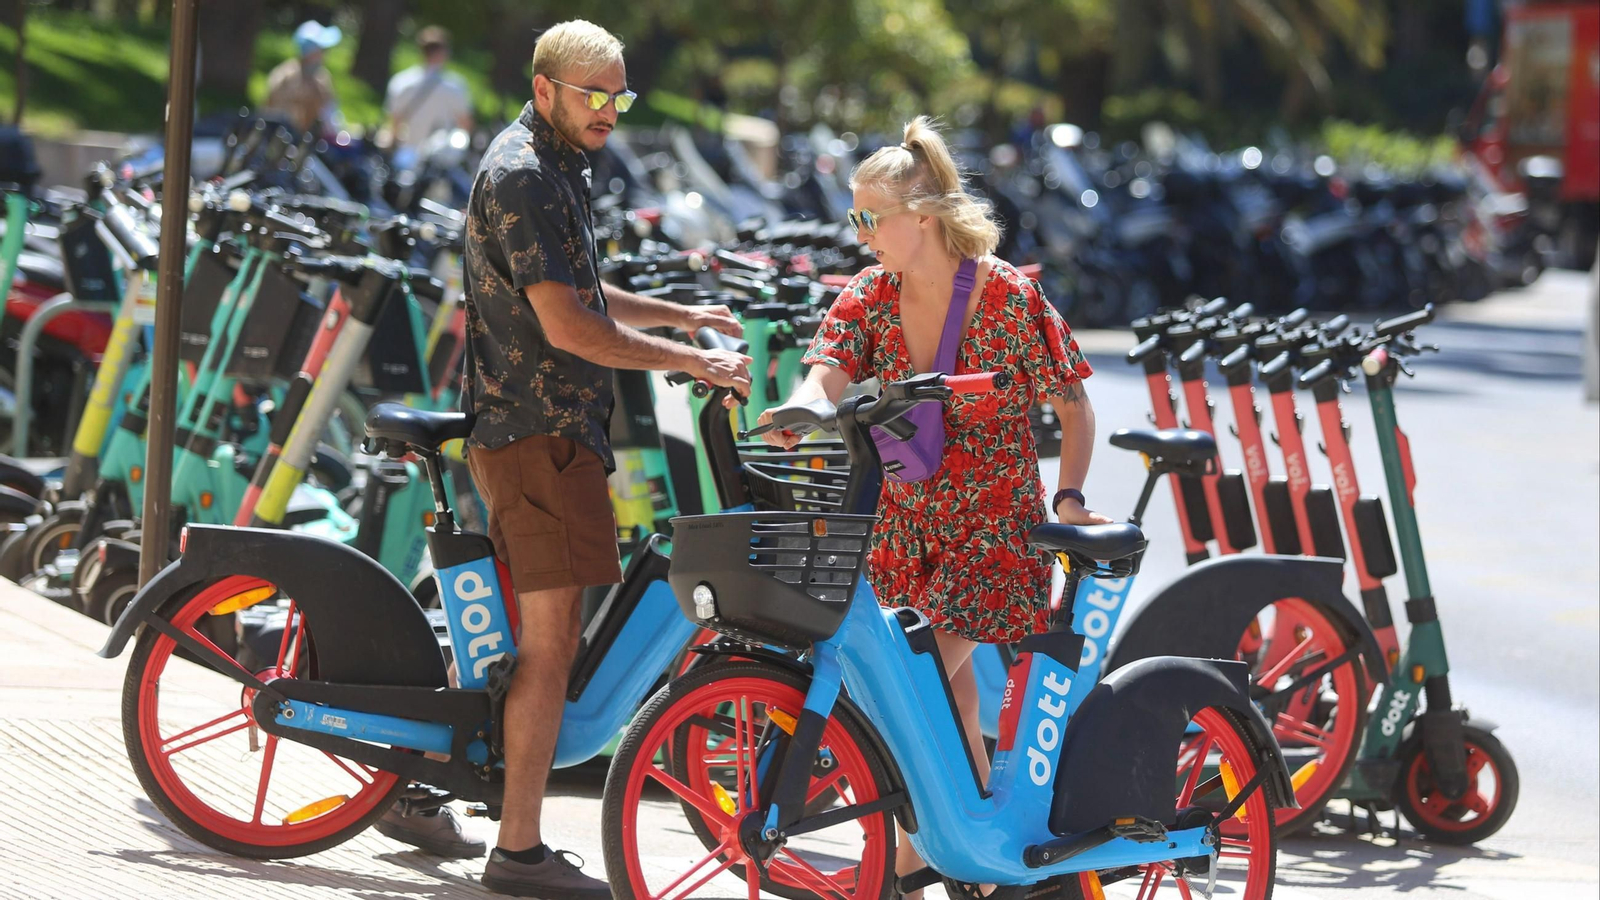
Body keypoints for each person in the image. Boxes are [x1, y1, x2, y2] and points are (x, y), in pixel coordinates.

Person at [388, 18, 750, 897]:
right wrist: (692, 362)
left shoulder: (549, 163)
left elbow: (576, 286)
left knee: (512, 638)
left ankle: (413, 786)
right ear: (544, 86)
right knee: (550, 649)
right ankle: (516, 852)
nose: (608, 110)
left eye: (619, 93)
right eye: (592, 92)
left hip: (538, 435)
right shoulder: (523, 174)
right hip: (540, 440)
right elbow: (567, 325)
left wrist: (678, 316)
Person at [756, 115, 1113, 896]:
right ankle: (983, 864)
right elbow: (827, 367)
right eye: (854, 217)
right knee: (945, 698)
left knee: (906, 692)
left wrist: (1072, 495)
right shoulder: (871, 292)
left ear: (922, 218)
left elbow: (1077, 406)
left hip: (994, 536)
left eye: (867, 218)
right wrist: (804, 409)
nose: (858, 234)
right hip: (905, 530)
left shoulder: (1010, 297)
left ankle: (908, 870)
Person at [384, 26, 474, 169]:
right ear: (444, 52)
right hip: (440, 159)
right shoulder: (455, 86)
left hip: (406, 156)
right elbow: (466, 125)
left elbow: (394, 125)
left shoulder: (401, 82)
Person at [265, 20, 343, 134]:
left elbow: (331, 115)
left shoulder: (322, 77)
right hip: (283, 139)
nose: (325, 54)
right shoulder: (285, 77)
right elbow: (272, 114)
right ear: (310, 51)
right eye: (322, 50)